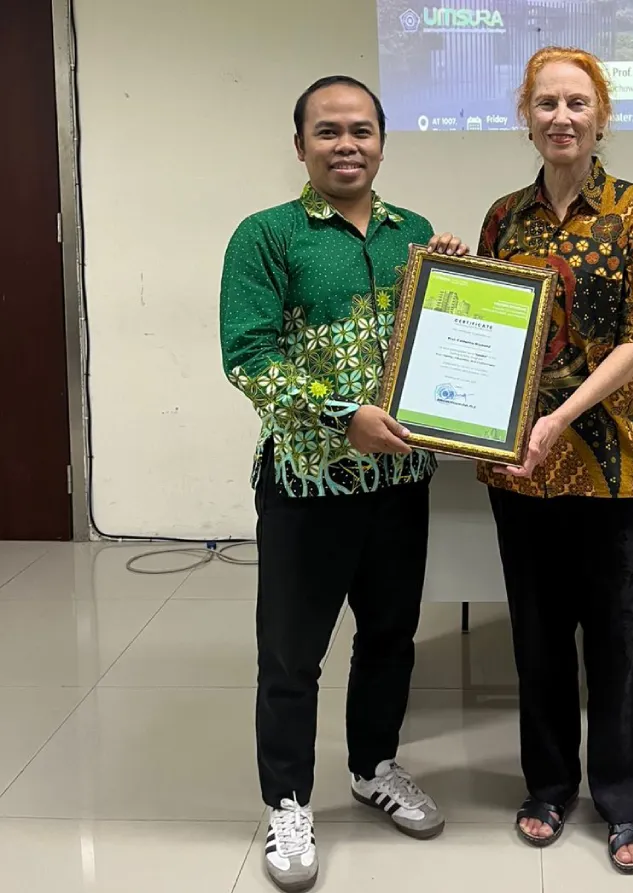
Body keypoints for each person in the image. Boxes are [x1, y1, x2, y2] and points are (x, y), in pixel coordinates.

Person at [219, 75, 468, 892]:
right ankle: (287, 801)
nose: (346, 144)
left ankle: (372, 768)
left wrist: (461, 286)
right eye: (327, 131)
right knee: (291, 656)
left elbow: (439, 340)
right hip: (307, 486)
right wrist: (340, 415)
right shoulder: (266, 236)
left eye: (361, 129)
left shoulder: (416, 233)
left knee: (390, 640)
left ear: (383, 141)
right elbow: (248, 357)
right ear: (300, 146)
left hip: (400, 480)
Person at [475, 47, 633, 874]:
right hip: (522, 462)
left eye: (578, 103)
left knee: (623, 639)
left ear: (601, 117)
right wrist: (448, 266)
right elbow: (483, 331)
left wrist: (560, 415)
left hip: (620, 458)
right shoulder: (502, 218)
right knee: (537, 634)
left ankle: (624, 803)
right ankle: (549, 786)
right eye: (547, 102)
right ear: (525, 114)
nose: (562, 117)